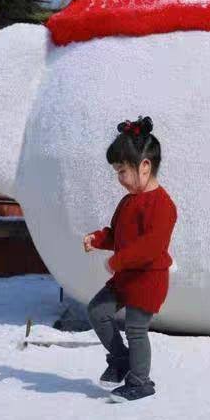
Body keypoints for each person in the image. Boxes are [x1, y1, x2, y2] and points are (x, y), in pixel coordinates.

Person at [83, 116, 177, 402]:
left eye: (122, 171)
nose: (119, 178)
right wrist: (98, 239)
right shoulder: (127, 201)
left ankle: (140, 381)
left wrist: (117, 261)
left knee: (136, 328)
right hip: (125, 277)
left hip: (148, 279)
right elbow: (118, 234)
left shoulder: (163, 206)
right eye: (117, 171)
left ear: (145, 166)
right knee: (97, 311)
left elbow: (150, 247)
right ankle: (121, 359)